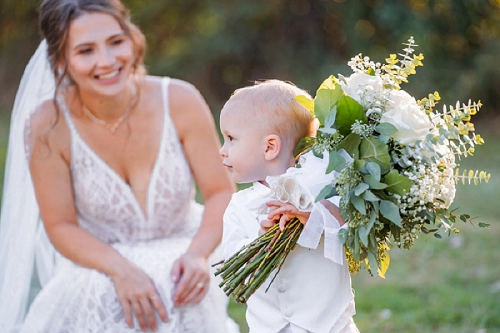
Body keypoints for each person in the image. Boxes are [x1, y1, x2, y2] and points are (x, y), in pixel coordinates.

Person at [0, 0, 239, 332]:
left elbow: (219, 192)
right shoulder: (47, 125)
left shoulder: (181, 101)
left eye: (116, 42)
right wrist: (122, 271)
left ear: (133, 39)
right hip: (98, 266)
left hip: (183, 258)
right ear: (60, 60)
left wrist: (198, 255)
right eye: (85, 51)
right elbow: (61, 226)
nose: (107, 61)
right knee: (98, 294)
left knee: (173, 283)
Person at [219, 80, 359, 333]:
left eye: (231, 139)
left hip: (330, 328)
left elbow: (350, 232)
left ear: (270, 146)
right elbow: (231, 260)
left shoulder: (324, 186)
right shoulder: (238, 206)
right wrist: (260, 241)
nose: (222, 150)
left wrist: (312, 218)